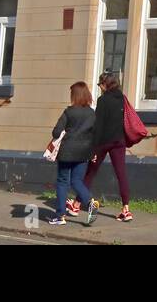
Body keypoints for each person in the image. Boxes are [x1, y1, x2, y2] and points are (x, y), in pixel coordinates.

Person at [77, 71, 134, 222]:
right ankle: (126, 209)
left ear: (105, 84)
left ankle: (76, 204)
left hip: (103, 142)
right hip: (119, 141)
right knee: (121, 173)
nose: (99, 87)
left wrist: (93, 148)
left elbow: (99, 126)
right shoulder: (122, 98)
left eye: (100, 84)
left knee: (91, 171)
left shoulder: (103, 100)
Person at [49, 81, 97, 226]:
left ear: (74, 95)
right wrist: (93, 152)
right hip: (84, 152)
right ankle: (90, 202)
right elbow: (95, 134)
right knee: (77, 181)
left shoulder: (69, 112)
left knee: (63, 181)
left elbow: (56, 132)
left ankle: (60, 216)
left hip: (67, 151)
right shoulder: (91, 113)